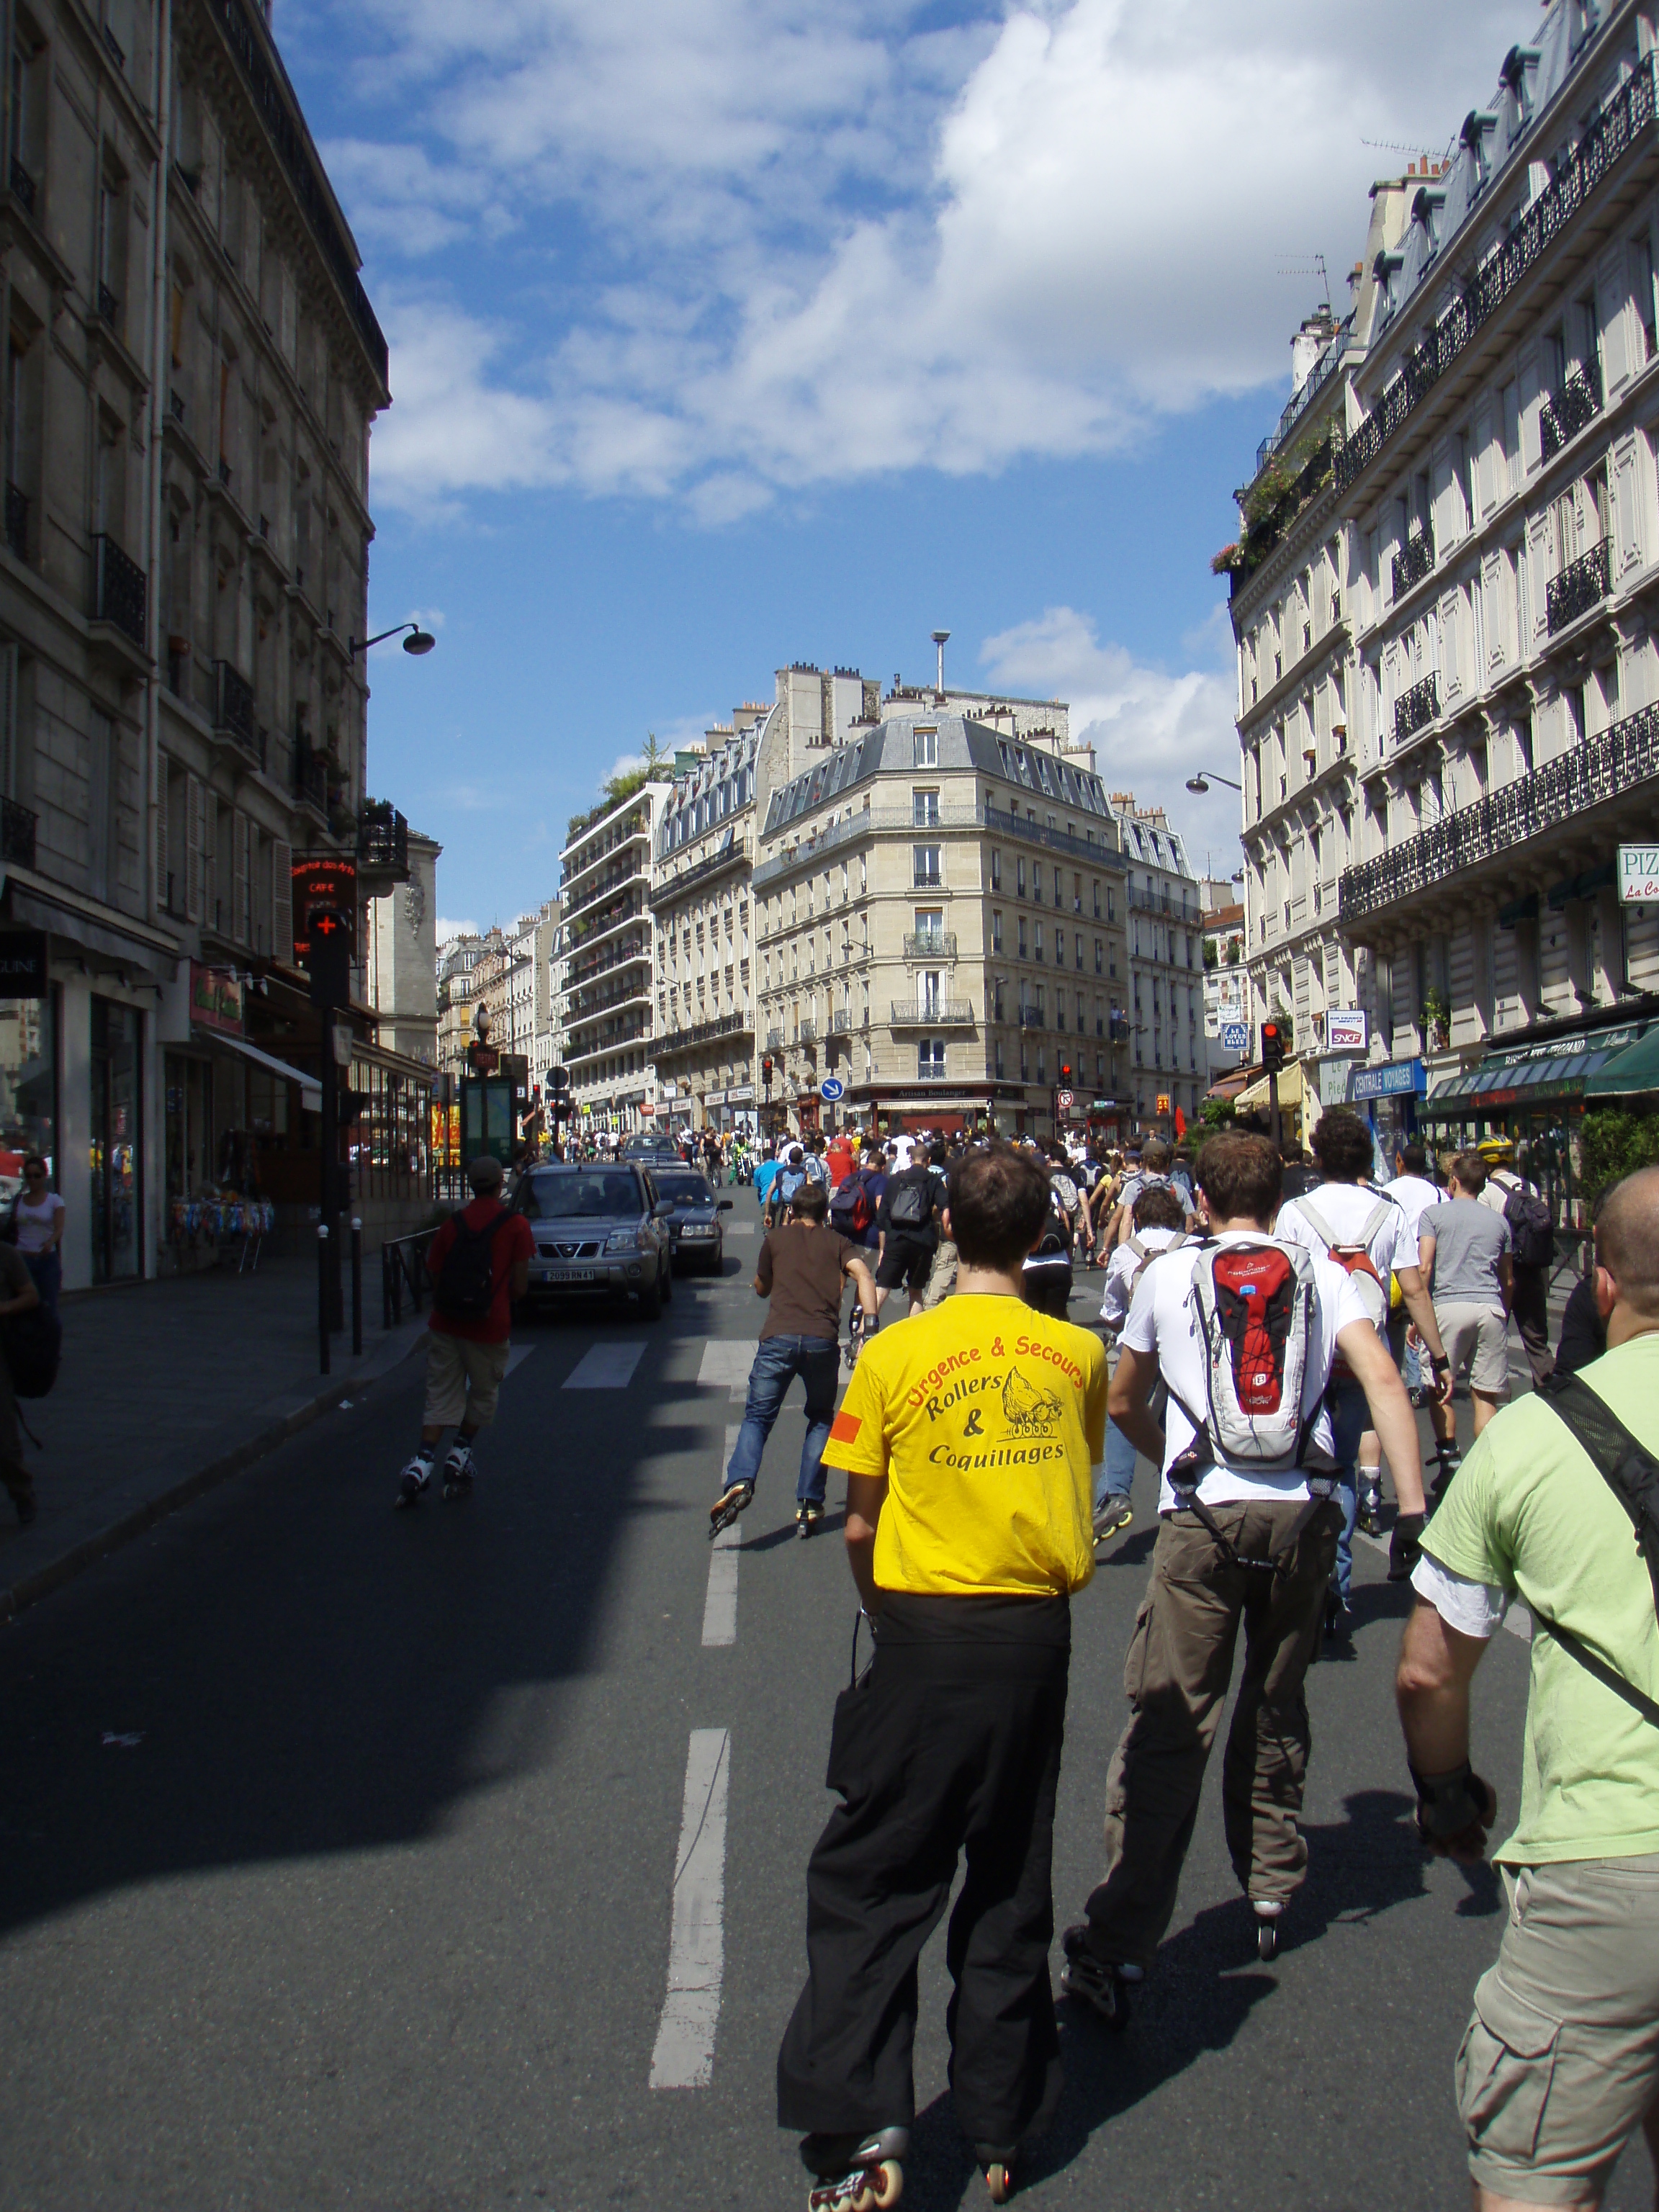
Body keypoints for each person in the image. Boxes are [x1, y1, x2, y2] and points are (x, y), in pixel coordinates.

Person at [776, 1145, 1107, 2206]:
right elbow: (1077, 1473)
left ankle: (864, 2133)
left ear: (950, 1230)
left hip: (922, 1632)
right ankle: (1002, 2124)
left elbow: (856, 1523)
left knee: (871, 1883)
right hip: (1034, 1639)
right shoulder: (1078, 1355)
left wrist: (888, 1614)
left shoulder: (889, 1359)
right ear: (1044, 1234)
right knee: (1010, 1881)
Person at [1061, 1132, 1428, 2008]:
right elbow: (1380, 1377)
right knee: (1275, 1700)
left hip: (1201, 1516)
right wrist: (1411, 1508)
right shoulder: (1326, 1274)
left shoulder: (1166, 1275)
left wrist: (1169, 1462)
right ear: (1279, 1196)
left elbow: (1122, 1399)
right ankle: (1270, 1878)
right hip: (1301, 1510)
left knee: (1171, 1718)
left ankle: (1122, 1935)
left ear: (1201, 1199)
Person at [1395, 1165, 1659, 2212]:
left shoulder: (1533, 1440)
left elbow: (1426, 1669)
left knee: (1535, 2180)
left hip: (1610, 1858)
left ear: (1600, 1285)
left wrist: (1451, 1797)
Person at [1274, 1108, 1452, 1631]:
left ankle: (1310, 1579)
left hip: (1311, 1357)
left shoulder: (1296, 1212)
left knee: (1308, 1466)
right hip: (1365, 1355)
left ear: (1320, 1155)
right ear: (1366, 1158)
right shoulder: (1389, 1212)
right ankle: (1340, 1585)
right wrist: (1435, 1356)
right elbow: (1413, 1287)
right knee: (1347, 1465)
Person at [710, 1179, 877, 1538]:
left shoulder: (775, 1240)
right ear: (825, 1214)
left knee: (757, 1416)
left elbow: (762, 1287)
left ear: (792, 1211)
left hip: (779, 1339)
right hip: (821, 1341)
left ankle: (740, 1481)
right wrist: (870, 1324)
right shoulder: (838, 1242)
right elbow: (863, 1273)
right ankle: (809, 1503)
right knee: (820, 1418)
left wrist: (763, 1281)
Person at [395, 1155, 534, 1509]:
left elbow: (435, 1275)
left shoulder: (451, 1225)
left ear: (470, 1185)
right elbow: (519, 1287)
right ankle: (460, 1453)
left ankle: (422, 1462)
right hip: (489, 1325)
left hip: (446, 1323)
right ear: (501, 1185)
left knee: (441, 1392)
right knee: (484, 1393)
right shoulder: (516, 1225)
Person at [1094, 1183, 1190, 1542]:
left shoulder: (1124, 1253)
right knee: (1185, 1414)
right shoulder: (1193, 1248)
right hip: (1183, 1346)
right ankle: (1186, 1485)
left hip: (1141, 1347)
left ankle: (1115, 1492)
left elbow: (1111, 1310)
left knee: (1120, 1411)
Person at [1421, 1152, 1514, 1498]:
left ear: (1453, 1182)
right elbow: (1508, 1278)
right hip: (1490, 1307)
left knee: (1440, 1386)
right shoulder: (1499, 1222)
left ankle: (1449, 1462)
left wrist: (1421, 1315)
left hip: (1448, 1305)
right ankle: (1486, 1474)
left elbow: (1426, 1268)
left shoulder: (1434, 1215)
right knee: (1486, 1393)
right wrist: (1503, 1310)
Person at [1478, 1134, 1555, 1387]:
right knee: (1537, 1340)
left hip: (1502, 1273)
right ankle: (1548, 1392)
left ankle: (1497, 1397)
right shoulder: (1529, 1187)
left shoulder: (1486, 1192)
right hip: (1531, 1272)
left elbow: (1486, 1235)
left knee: (1495, 1339)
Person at [1385, 1141, 1444, 1405]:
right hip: (1424, 1259)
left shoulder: (1387, 1189)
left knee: (1394, 1323)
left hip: (1395, 1261)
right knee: (1418, 1319)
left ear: (1401, 1163)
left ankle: (1394, 1377)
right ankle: (1415, 1383)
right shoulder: (1435, 1193)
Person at [873, 1146, 940, 1320]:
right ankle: (912, 1338)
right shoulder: (933, 1181)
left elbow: (882, 1216)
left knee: (881, 1289)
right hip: (922, 1242)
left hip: (896, 1239)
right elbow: (945, 1209)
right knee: (916, 1291)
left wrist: (883, 1248)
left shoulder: (896, 1179)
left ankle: (863, 1336)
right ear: (929, 1160)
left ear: (911, 1158)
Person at [0, 1237, 41, 1523]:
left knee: (4, 1440)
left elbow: (30, 1295)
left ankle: (22, 1492)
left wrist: (4, 1308)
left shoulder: (6, 1255)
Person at [11, 1156, 64, 1313]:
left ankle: (49, 1337)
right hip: (22, 1259)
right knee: (23, 1308)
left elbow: (59, 1228)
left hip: (46, 1260)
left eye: (37, 1175)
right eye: (28, 1176)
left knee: (48, 1308)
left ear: (44, 1176)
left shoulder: (55, 1201)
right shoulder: (19, 1200)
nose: (32, 1180)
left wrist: (50, 1242)